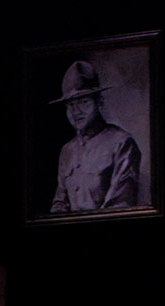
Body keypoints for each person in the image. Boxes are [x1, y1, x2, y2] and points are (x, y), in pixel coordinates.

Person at [48, 60, 141, 213]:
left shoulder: (121, 142)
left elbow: (120, 205)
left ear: (99, 102)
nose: (76, 111)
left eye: (84, 102)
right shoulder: (67, 150)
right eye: (71, 105)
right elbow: (59, 204)